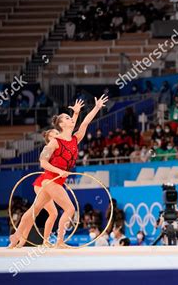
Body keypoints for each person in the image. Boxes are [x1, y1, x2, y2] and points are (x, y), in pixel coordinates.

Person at [8, 95, 108, 248]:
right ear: (61, 124)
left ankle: (15, 236)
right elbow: (42, 162)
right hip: (50, 180)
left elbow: (86, 121)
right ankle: (59, 241)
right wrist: (59, 171)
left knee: (35, 209)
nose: (71, 119)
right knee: (70, 208)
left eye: (70, 118)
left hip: (57, 180)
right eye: (67, 118)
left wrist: (96, 107)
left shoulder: (76, 138)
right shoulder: (55, 142)